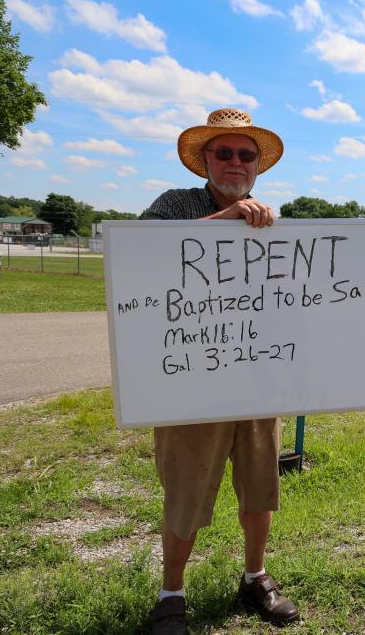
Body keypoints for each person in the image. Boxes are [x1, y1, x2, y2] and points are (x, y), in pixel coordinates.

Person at [140, 108, 298, 635]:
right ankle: (171, 594)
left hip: (257, 380)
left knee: (259, 485)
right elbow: (139, 256)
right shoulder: (175, 205)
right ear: (205, 159)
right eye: (223, 153)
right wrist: (224, 223)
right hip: (190, 379)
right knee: (185, 490)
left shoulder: (275, 223)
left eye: (244, 154)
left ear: (258, 165)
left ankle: (255, 577)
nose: (234, 162)